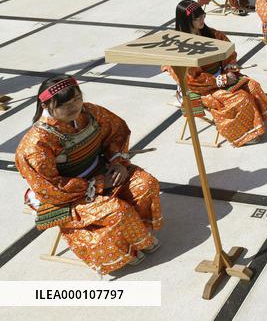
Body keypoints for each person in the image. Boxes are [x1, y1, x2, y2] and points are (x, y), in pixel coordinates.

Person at [15, 75, 162, 274]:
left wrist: (118, 162)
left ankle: (137, 234)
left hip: (102, 170)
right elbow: (50, 187)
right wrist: (98, 183)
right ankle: (126, 248)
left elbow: (116, 132)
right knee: (118, 211)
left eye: (77, 99)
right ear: (45, 105)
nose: (74, 106)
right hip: (65, 196)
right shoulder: (34, 145)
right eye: (65, 104)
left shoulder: (91, 113)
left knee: (146, 184)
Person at [166, 1, 267, 146]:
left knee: (253, 86)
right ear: (186, 21)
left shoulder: (212, 34)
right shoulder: (178, 47)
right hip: (200, 88)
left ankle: (254, 123)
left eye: (203, 16)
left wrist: (230, 70)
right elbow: (191, 79)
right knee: (240, 98)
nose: (202, 20)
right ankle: (243, 134)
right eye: (197, 18)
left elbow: (229, 52)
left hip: (223, 74)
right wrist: (221, 80)